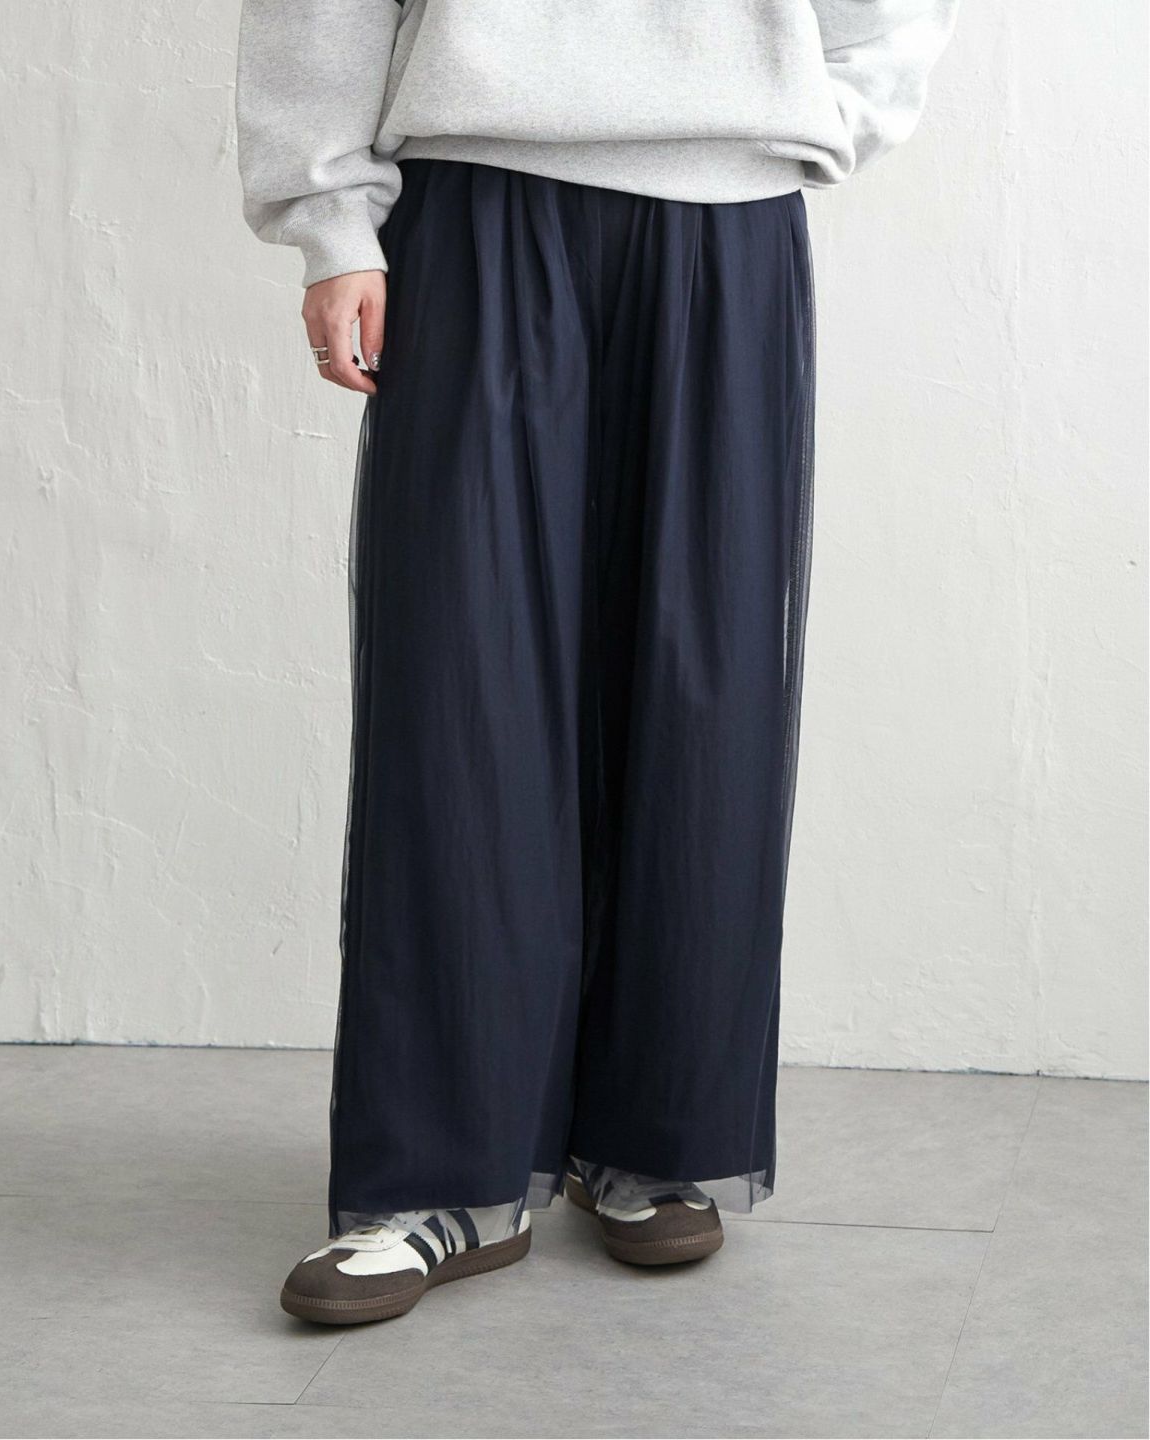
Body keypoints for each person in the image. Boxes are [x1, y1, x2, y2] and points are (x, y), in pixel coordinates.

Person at [235, 0, 958, 1326]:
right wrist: (331, 219)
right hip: (477, 191)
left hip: (727, 214)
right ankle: (440, 1176)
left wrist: (805, 114)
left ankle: (654, 1135)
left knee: (703, 684)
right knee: (461, 683)